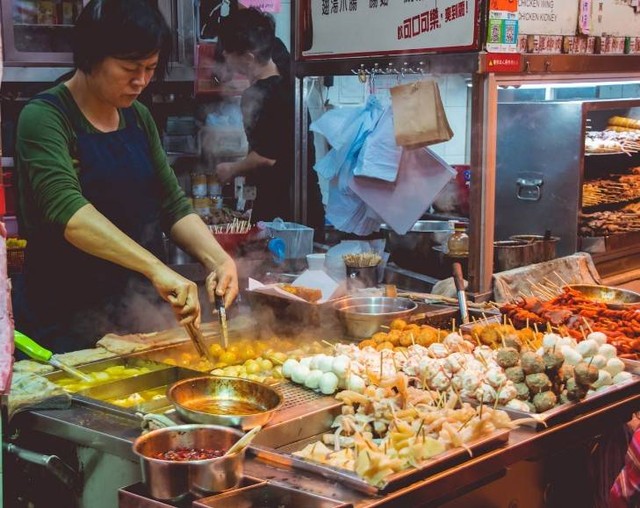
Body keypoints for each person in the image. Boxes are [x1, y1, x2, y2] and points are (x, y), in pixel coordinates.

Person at [14, 0, 238, 352]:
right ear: (90, 57)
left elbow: (172, 204)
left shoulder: (138, 117)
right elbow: (69, 213)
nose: (142, 81)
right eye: (129, 68)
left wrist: (219, 259)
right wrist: (155, 268)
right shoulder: (45, 118)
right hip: (65, 321)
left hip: (138, 314)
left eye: (150, 68)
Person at [213, 7, 295, 223]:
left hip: (278, 208)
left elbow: (266, 157)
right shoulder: (284, 68)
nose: (224, 55)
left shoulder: (259, 94)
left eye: (228, 51)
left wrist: (231, 169)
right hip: (304, 200)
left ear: (249, 57)